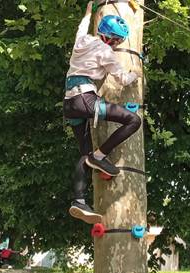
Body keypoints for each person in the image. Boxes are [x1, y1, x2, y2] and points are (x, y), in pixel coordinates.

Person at [64, 1, 143, 224]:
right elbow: (123, 79)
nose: (118, 44)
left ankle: (78, 201)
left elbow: (82, 25)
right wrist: (135, 73)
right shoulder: (107, 53)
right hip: (85, 100)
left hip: (69, 103)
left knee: (84, 154)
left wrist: (89, 11)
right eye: (118, 40)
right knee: (132, 120)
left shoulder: (82, 40)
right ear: (113, 39)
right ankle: (100, 156)